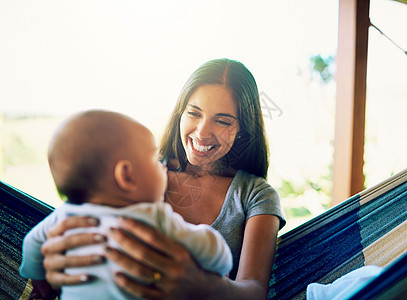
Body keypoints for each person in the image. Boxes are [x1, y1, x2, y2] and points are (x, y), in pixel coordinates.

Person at [39, 58, 286, 299]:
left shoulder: (256, 195)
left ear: (243, 129)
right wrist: (54, 261)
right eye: (194, 113)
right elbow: (70, 230)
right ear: (181, 112)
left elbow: (254, 290)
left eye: (222, 121)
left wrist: (202, 286)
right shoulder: (139, 175)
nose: (202, 132)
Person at [20, 110, 233, 299]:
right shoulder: (153, 217)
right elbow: (211, 250)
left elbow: (31, 244)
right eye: (155, 159)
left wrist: (40, 280)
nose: (163, 167)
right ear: (126, 176)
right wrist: (220, 255)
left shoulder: (65, 217)